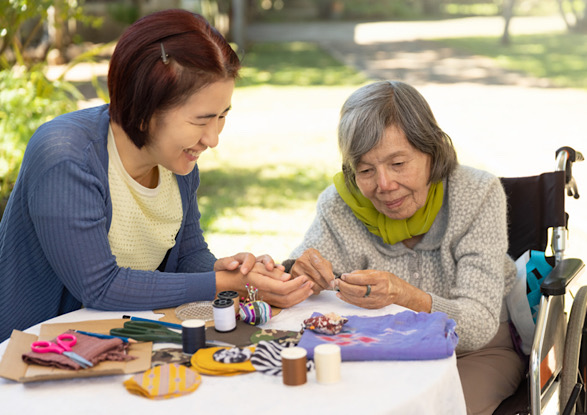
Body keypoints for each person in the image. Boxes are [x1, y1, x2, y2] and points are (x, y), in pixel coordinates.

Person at [0, 9, 313, 342]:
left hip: (117, 345)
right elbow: (100, 287)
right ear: (145, 107)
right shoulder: (65, 155)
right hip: (34, 355)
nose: (213, 139)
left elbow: (189, 256)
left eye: (222, 116)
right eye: (201, 120)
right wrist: (222, 284)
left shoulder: (177, 163)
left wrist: (233, 271)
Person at [285, 80, 525, 414]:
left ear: (432, 152)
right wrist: (297, 269)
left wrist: (405, 295)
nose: (384, 185)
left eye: (398, 164)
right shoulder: (340, 205)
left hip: (474, 354)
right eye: (366, 170)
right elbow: (300, 275)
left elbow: (478, 324)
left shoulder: (477, 194)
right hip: (382, 350)